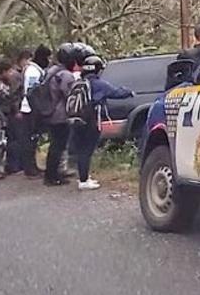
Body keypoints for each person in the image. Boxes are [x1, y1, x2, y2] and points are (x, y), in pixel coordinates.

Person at [69, 55, 134, 190]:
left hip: (76, 120)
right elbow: (116, 92)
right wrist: (130, 92)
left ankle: (83, 177)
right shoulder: (99, 84)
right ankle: (84, 181)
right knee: (87, 151)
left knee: (81, 150)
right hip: (91, 121)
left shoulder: (78, 83)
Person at [42, 43, 77, 186]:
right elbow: (69, 94)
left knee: (54, 145)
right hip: (60, 115)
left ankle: (52, 174)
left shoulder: (52, 71)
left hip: (50, 112)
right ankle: (52, 176)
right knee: (58, 146)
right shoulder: (66, 75)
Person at [17, 45, 50, 178]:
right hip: (30, 109)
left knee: (33, 140)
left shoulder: (36, 69)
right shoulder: (33, 71)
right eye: (48, 57)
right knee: (29, 140)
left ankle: (33, 167)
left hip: (33, 108)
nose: (49, 60)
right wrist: (38, 110)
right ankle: (29, 170)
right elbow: (32, 92)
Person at [3, 55, 25, 176]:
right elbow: (15, 94)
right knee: (16, 138)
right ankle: (14, 165)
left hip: (10, 111)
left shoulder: (14, 74)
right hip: (14, 112)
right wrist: (17, 110)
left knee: (13, 138)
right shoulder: (16, 75)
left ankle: (12, 164)